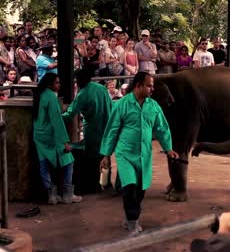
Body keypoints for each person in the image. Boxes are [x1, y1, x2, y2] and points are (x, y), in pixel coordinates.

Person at [99, 72, 179, 234]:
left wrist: (169, 148)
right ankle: (132, 222)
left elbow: (162, 129)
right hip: (125, 154)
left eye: (152, 86)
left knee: (141, 190)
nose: (152, 89)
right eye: (149, 86)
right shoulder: (122, 104)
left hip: (144, 155)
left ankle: (131, 217)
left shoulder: (153, 106)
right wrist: (106, 154)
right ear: (138, 86)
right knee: (130, 188)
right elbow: (112, 129)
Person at [33, 73, 82, 204]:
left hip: (39, 134)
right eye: (57, 83)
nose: (59, 85)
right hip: (50, 136)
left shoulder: (40, 95)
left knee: (43, 163)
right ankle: (67, 194)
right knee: (68, 159)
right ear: (49, 84)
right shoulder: (51, 97)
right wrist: (65, 142)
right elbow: (57, 121)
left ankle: (51, 195)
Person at [62, 69, 112, 193]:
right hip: (107, 125)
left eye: (77, 80)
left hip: (93, 129)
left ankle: (94, 185)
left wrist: (55, 117)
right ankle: (106, 182)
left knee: (93, 157)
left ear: (81, 80)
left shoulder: (82, 94)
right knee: (105, 153)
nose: (77, 82)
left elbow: (70, 114)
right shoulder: (101, 88)